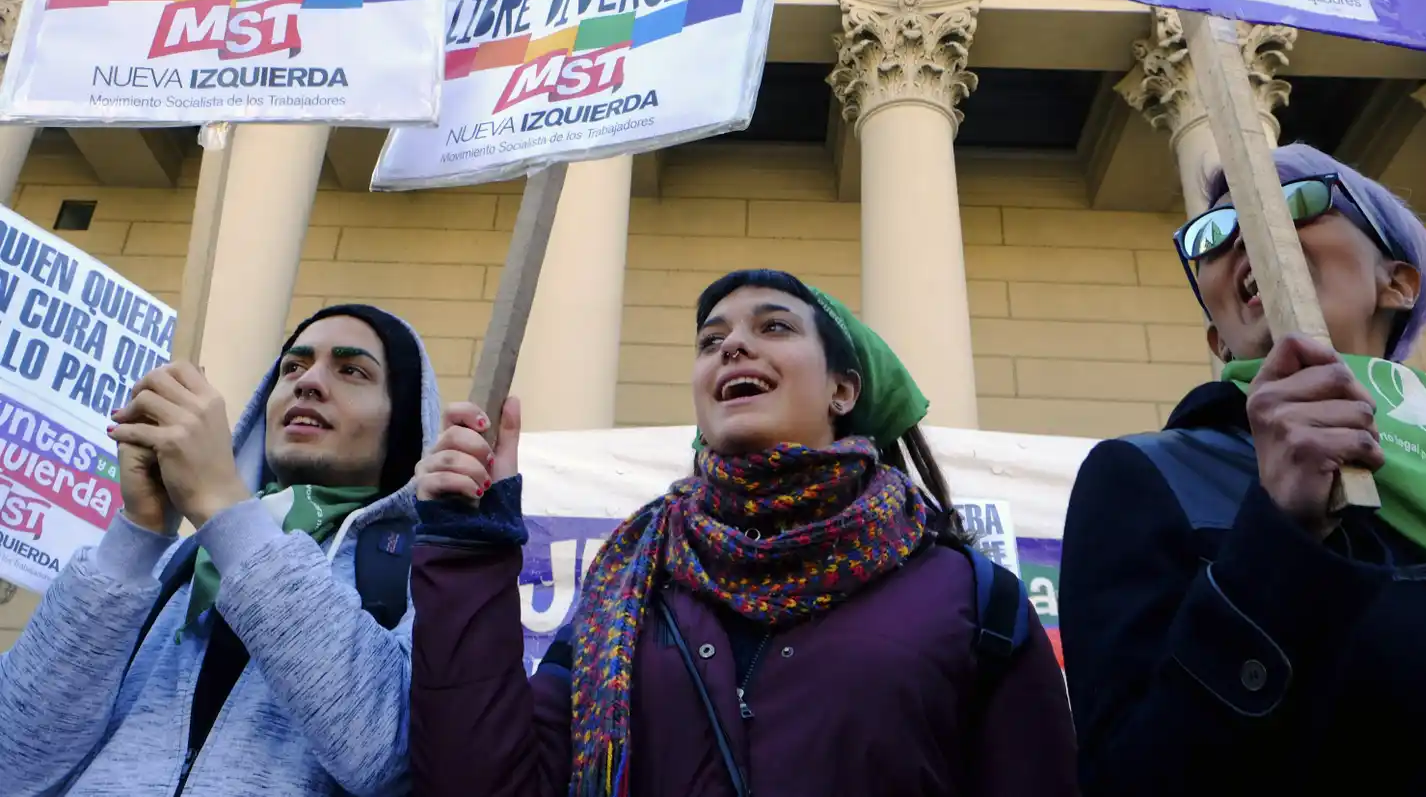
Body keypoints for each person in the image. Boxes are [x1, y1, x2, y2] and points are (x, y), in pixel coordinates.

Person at [409, 268, 1078, 797]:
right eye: (710, 341)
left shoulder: (972, 598)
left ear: (843, 390)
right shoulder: (624, 587)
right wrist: (468, 545)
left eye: (773, 326)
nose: (731, 345)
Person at [1061, 144, 1426, 796]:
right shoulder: (1148, 477)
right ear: (1219, 338)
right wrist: (1278, 537)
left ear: (1398, 284)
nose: (1248, 231)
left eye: (1296, 199)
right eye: (1214, 231)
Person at [0, 304, 441, 797]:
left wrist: (223, 505)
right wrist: (139, 534)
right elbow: (13, 763)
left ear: (402, 420)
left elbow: (383, 753)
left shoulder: (427, 573)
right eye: (292, 366)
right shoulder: (172, 565)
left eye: (352, 370)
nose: (308, 382)